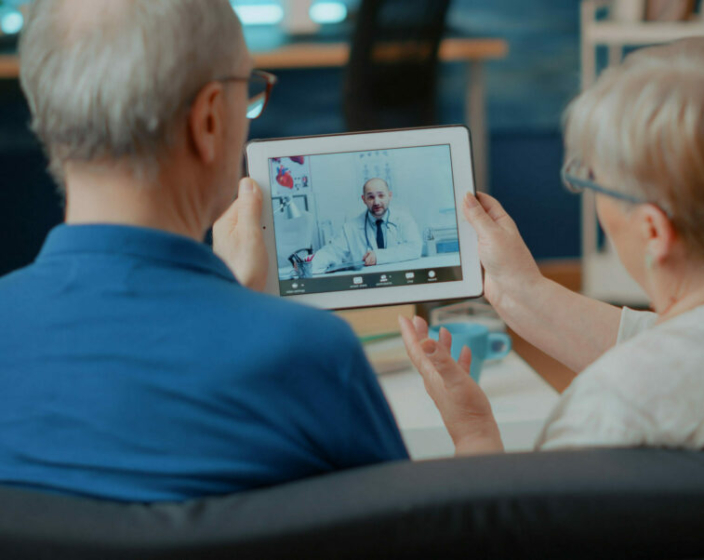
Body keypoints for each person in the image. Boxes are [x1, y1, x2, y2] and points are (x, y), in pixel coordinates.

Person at [0, 0, 407, 502]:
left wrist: (230, 292)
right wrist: (475, 434)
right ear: (210, 119)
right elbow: (405, 534)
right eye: (249, 91)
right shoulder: (313, 354)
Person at [399, 36, 704, 456]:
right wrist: (520, 291)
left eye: (593, 179)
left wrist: (473, 429)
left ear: (653, 231)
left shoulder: (609, 411)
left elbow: (509, 531)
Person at [311, 177, 421, 271]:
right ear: (364, 199)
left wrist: (378, 256)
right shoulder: (350, 228)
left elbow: (415, 248)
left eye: (381, 196)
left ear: (390, 196)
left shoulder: (404, 219)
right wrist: (307, 263)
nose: (376, 202)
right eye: (371, 197)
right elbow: (332, 252)